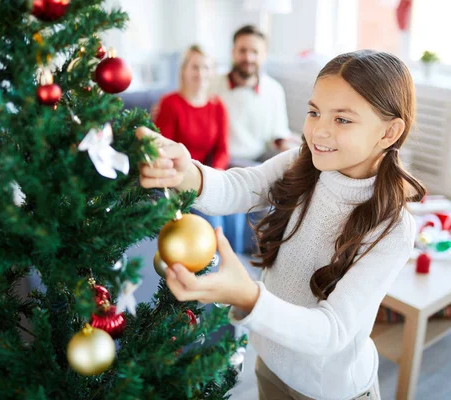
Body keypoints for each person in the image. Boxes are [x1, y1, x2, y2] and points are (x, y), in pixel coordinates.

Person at [137, 49, 426, 399]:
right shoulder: (301, 162)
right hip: (271, 364)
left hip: (329, 390)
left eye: (343, 120)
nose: (318, 131)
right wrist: (187, 171)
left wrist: (247, 296)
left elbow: (332, 330)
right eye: (314, 112)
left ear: (389, 132)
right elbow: (238, 187)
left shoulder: (393, 228)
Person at [210, 25, 299, 166]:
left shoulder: (274, 89)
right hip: (222, 159)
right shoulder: (212, 85)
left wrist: (291, 148)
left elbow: (278, 133)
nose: (248, 58)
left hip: (259, 159)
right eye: (242, 50)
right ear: (233, 52)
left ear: (264, 55)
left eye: (255, 52)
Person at [155, 45, 228, 170]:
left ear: (213, 72)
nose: (200, 73)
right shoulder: (169, 103)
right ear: (183, 71)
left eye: (206, 68)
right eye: (195, 67)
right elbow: (164, 148)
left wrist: (216, 174)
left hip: (206, 175)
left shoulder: (218, 106)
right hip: (174, 171)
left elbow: (222, 151)